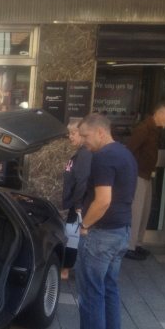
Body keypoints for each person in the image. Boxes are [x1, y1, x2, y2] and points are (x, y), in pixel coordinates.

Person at [59, 113, 137, 329]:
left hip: (102, 234)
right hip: (121, 231)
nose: (82, 140)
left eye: (86, 135)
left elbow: (103, 200)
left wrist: (85, 226)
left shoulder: (103, 158)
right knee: (110, 288)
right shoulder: (125, 153)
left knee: (91, 291)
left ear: (101, 132)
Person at [124, 102, 165, 260]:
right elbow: (129, 152)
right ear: (159, 113)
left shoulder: (154, 130)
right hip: (138, 175)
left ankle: (138, 243)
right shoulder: (143, 129)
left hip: (147, 175)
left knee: (144, 211)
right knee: (136, 211)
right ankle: (129, 247)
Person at [61, 118, 92, 280]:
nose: (70, 137)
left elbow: (82, 181)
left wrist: (78, 204)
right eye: (69, 134)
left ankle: (65, 270)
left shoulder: (84, 154)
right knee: (72, 236)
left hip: (78, 205)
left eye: (73, 133)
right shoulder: (80, 153)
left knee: (72, 237)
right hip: (75, 202)